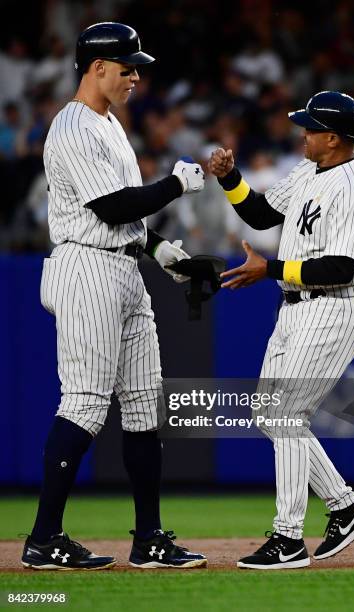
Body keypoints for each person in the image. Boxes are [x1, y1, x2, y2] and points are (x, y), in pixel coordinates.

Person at [22, 22, 207, 571]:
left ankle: (148, 538)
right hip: (86, 270)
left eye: (136, 67)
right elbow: (109, 208)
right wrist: (176, 184)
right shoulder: (73, 128)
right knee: (83, 403)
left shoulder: (110, 125)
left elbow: (125, 215)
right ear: (96, 67)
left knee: (143, 403)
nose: (134, 75)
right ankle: (43, 538)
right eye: (126, 66)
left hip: (123, 269)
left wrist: (160, 251)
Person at [209, 91, 354, 570]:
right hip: (297, 308)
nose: (302, 134)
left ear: (333, 137)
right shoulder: (310, 170)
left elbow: (343, 267)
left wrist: (271, 269)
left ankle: (288, 538)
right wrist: (230, 179)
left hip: (334, 308)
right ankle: (345, 506)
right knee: (271, 414)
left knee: (284, 415)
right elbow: (263, 214)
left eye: (310, 129)